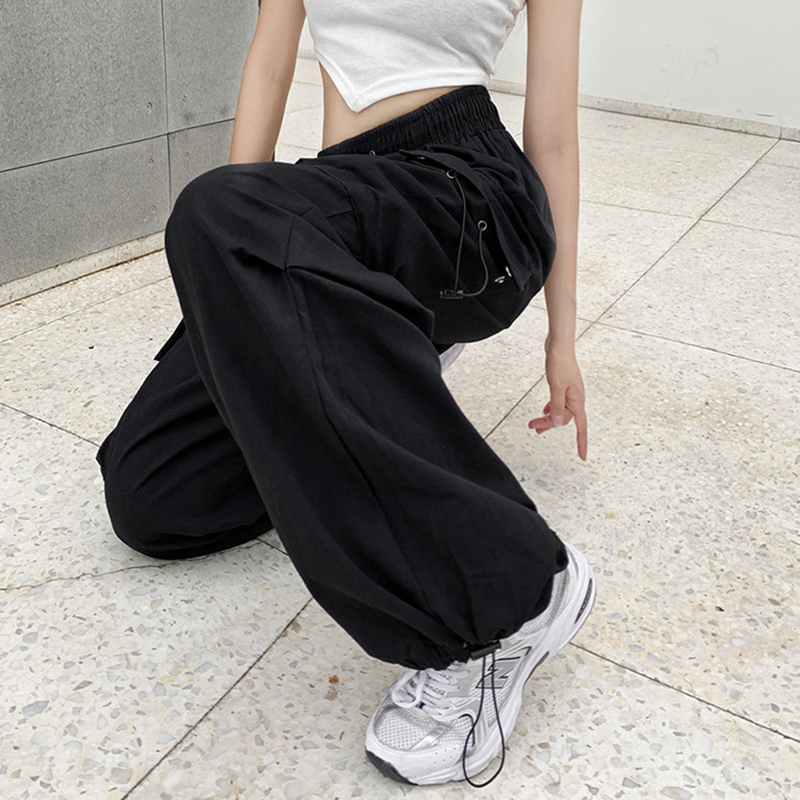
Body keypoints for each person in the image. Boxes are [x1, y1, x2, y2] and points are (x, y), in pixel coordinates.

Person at [96, 0, 595, 787]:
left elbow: (554, 141)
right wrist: (225, 283)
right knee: (153, 495)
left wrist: (562, 338)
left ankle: (517, 596)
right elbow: (269, 65)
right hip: (345, 193)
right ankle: (369, 350)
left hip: (467, 197)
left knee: (213, 208)